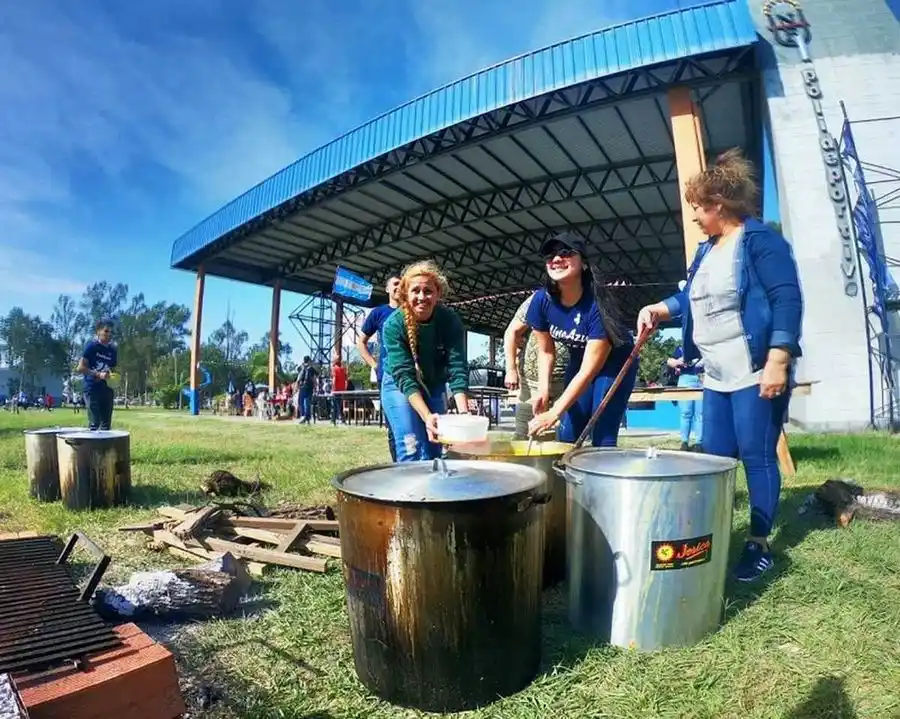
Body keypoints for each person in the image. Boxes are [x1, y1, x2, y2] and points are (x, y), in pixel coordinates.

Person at [636, 148, 804, 583]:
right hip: (715, 375)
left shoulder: (760, 242)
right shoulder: (707, 251)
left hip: (754, 369)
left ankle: (759, 544)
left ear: (718, 204)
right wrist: (659, 308)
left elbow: (787, 298)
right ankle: (711, 535)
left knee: (756, 455)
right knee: (714, 459)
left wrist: (779, 358)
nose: (693, 216)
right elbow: (690, 298)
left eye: (697, 207)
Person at [525, 232, 637, 447]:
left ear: (584, 263)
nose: (556, 259)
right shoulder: (541, 300)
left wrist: (554, 412)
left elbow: (589, 371)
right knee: (568, 432)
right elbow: (546, 351)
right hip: (578, 360)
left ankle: (603, 463)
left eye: (566, 252)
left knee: (602, 430)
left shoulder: (598, 305)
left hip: (614, 363)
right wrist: (543, 390)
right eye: (550, 255)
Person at [381, 260, 470, 462]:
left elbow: (457, 367)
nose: (422, 297)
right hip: (399, 384)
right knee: (411, 445)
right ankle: (407, 481)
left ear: (438, 294)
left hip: (434, 382)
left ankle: (434, 483)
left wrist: (464, 414)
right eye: (415, 291)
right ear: (406, 293)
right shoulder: (393, 325)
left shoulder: (449, 320)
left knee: (435, 445)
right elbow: (404, 375)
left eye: (428, 291)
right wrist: (427, 416)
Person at [503, 293, 571, 439]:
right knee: (524, 434)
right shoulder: (540, 299)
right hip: (531, 383)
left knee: (561, 439)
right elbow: (512, 332)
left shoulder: (585, 302)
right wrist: (511, 369)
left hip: (566, 384)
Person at [358, 276, 402, 459]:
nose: (399, 287)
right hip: (387, 377)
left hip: (411, 376)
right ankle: (398, 464)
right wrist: (375, 365)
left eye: (402, 284)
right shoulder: (378, 313)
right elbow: (361, 342)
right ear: (387, 289)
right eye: (395, 284)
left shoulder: (412, 311)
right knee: (393, 425)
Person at [77, 318, 118, 431]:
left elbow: (112, 369)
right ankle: (90, 442)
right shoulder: (91, 347)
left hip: (106, 389)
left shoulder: (113, 350)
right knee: (95, 422)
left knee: (106, 425)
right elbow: (80, 368)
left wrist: (113, 377)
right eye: (106, 331)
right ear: (98, 331)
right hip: (92, 388)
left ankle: (105, 443)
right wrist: (98, 374)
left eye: (111, 332)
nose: (109, 334)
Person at [667, 344, 704, 452]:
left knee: (700, 414)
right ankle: (684, 442)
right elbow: (670, 361)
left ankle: (699, 443)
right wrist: (679, 361)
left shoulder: (704, 344)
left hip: (702, 378)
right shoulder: (681, 348)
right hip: (685, 379)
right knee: (686, 413)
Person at [295, 356, 318, 424]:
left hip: (302, 387)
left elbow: (298, 378)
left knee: (301, 402)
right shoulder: (311, 369)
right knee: (307, 402)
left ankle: (304, 416)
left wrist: (296, 388)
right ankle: (307, 417)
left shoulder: (301, 368)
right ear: (309, 361)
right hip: (309, 387)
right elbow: (314, 379)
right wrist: (315, 388)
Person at [331, 357, 348, 424]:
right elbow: (346, 379)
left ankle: (342, 419)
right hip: (342, 390)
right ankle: (333, 419)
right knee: (337, 405)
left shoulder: (334, 369)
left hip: (336, 390)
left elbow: (334, 379)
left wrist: (333, 389)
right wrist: (345, 388)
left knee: (337, 405)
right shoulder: (343, 369)